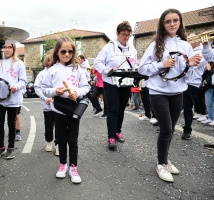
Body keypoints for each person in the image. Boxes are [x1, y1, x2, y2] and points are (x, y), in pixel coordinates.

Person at [138, 8, 201, 183]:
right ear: (162, 24)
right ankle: (160, 163)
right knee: (166, 128)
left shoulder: (186, 45)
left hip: (178, 92)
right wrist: (161, 64)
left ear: (180, 22)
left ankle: (165, 159)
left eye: (175, 20)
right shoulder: (155, 45)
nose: (172, 24)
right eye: (168, 21)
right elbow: (142, 69)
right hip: (158, 92)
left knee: (171, 129)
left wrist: (190, 65)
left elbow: (185, 74)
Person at [41, 36, 90, 183]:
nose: (67, 55)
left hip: (74, 109)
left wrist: (77, 93)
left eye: (70, 51)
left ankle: (73, 167)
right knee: (61, 140)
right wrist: (56, 92)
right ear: (57, 52)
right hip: (59, 109)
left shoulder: (78, 69)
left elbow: (86, 87)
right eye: (63, 51)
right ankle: (63, 165)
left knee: (73, 140)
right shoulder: (51, 71)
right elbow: (44, 90)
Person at [94, 21, 138, 149]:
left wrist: (136, 70)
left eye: (128, 35)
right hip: (111, 83)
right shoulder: (109, 47)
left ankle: (118, 131)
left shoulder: (132, 48)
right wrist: (107, 70)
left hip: (126, 83)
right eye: (123, 34)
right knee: (113, 109)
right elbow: (97, 62)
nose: (126, 37)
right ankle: (111, 137)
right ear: (117, 33)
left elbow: (134, 64)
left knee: (121, 109)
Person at [0, 42, 27, 160]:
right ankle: (0, 147)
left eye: (9, 47)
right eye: (5, 47)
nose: (7, 49)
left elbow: (23, 81)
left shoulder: (19, 64)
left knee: (11, 124)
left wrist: (16, 86)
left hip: (13, 99)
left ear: (13, 49)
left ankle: (11, 147)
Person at [34, 49, 59, 156]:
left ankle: (58, 145)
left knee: (59, 126)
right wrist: (45, 98)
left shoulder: (59, 72)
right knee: (48, 125)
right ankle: (49, 142)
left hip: (59, 106)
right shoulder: (42, 74)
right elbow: (37, 87)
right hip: (47, 106)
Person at [181, 38, 207, 139]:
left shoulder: (201, 52)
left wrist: (185, 61)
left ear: (196, 41)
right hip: (182, 81)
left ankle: (187, 130)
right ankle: (168, 128)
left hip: (192, 83)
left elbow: (194, 64)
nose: (188, 41)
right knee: (174, 105)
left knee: (188, 107)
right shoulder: (188, 51)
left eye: (190, 39)